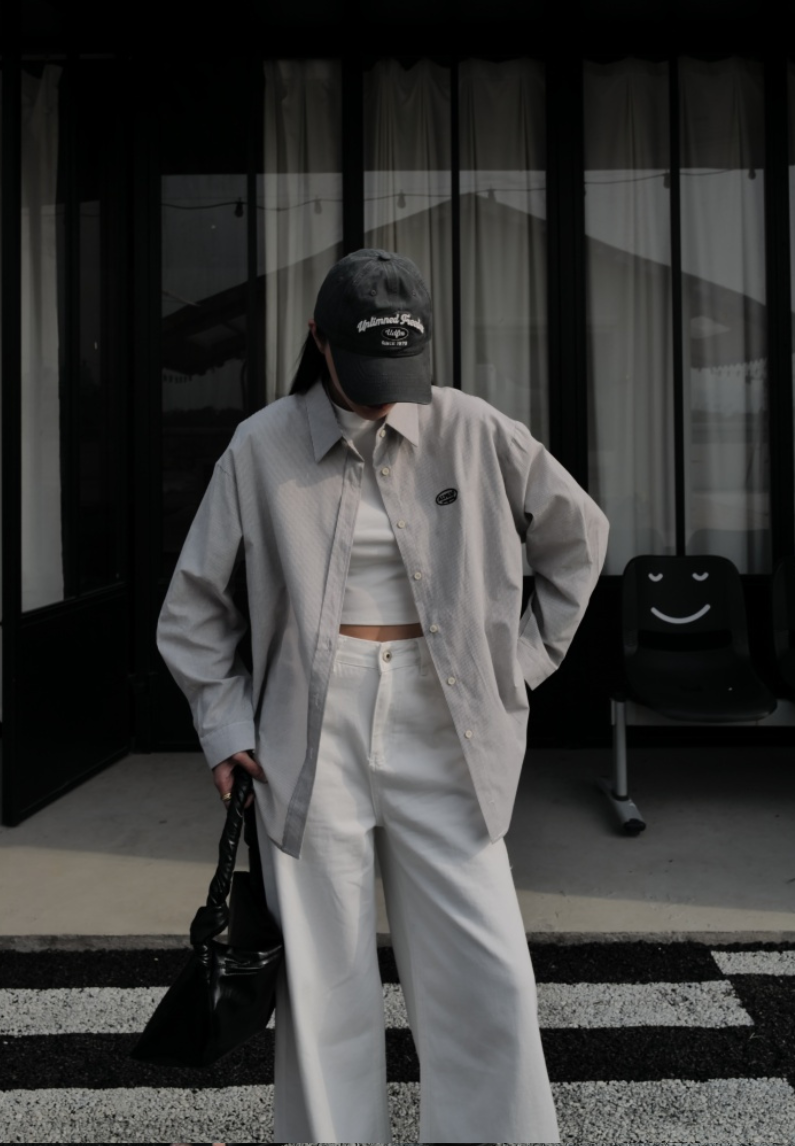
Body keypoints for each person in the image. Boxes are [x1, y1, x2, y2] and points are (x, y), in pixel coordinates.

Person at [157, 249, 608, 1144]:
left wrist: (518, 665)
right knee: (323, 981)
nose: (382, 397)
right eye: (363, 369)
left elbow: (578, 538)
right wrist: (224, 721)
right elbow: (194, 604)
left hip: (449, 720)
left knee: (490, 972)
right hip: (307, 728)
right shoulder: (262, 445)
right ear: (320, 341)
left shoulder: (472, 428)